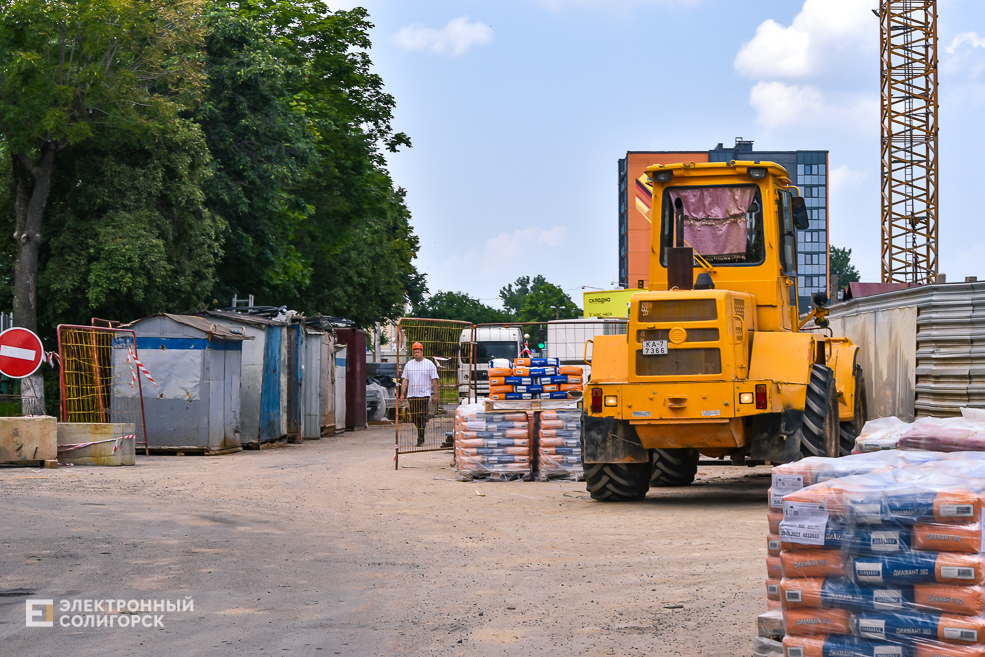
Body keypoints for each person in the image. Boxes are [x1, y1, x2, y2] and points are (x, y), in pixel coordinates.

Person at [399, 342, 439, 446]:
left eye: (418, 351)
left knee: (421, 416)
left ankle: (420, 438)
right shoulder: (409, 364)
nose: (416, 353)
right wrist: (402, 393)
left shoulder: (429, 364)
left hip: (424, 395)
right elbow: (405, 380)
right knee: (414, 417)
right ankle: (420, 430)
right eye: (414, 352)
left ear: (422, 352)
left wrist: (435, 395)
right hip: (412, 395)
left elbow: (434, 380)